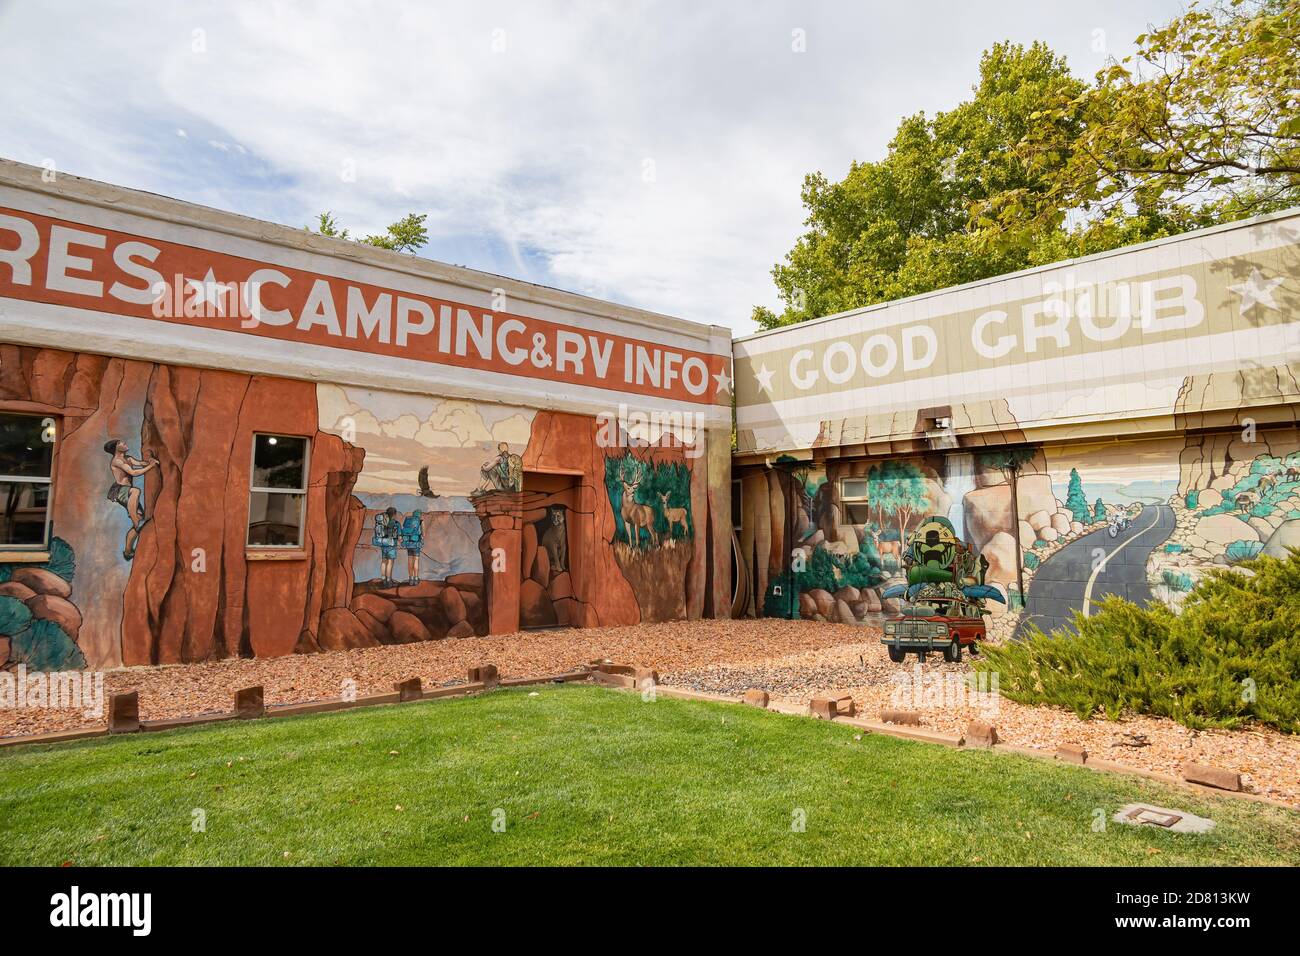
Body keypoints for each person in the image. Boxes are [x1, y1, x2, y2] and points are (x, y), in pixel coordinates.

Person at [104, 439, 160, 561]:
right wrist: (150, 466)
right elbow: (133, 472)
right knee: (136, 491)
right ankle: (136, 522)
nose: (124, 443)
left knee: (140, 519)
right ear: (116, 448)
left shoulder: (128, 458)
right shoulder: (117, 461)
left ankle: (128, 551)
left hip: (127, 493)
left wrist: (149, 462)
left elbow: (139, 463)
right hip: (120, 490)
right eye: (121, 443)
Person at [373, 506, 400, 587]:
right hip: (391, 544)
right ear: (394, 514)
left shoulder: (381, 522)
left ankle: (383, 579)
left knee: (384, 561)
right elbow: (400, 536)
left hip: (383, 543)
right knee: (390, 562)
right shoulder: (396, 523)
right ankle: (389, 581)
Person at [400, 508, 424, 585]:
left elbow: (404, 530)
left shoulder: (408, 520)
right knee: (416, 560)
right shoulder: (420, 521)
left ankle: (410, 579)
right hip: (416, 543)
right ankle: (416, 579)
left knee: (410, 560)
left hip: (408, 543)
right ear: (419, 515)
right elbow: (423, 534)